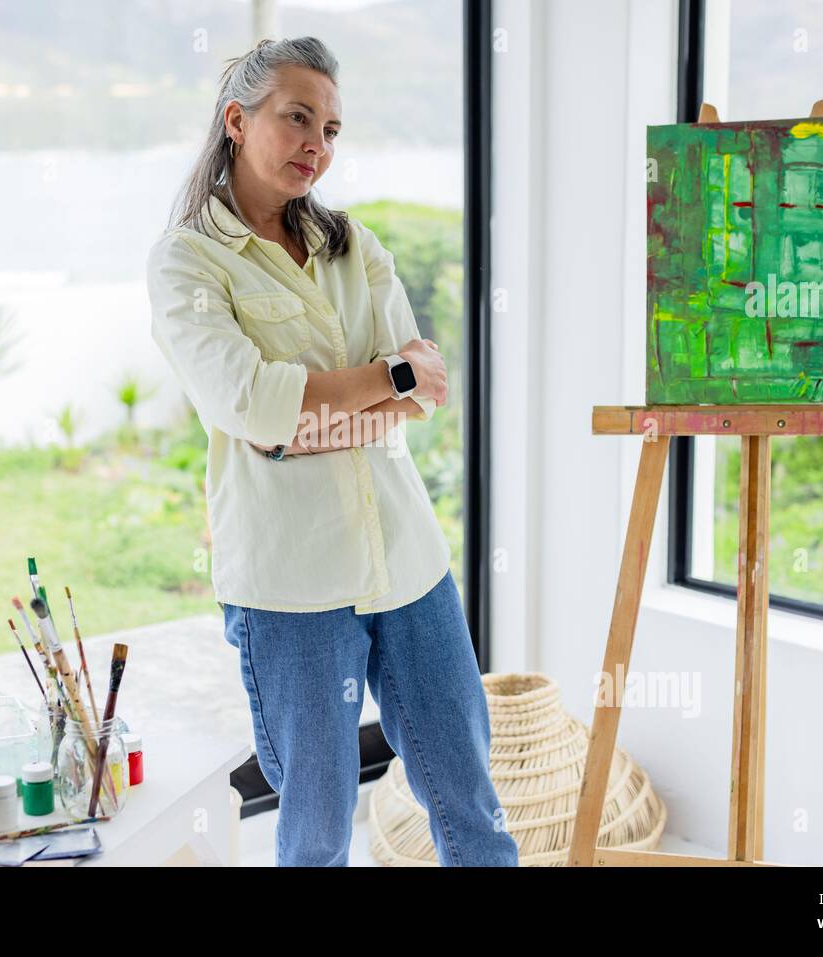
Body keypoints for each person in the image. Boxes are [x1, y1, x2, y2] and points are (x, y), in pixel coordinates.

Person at [145, 36, 519, 867]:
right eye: (298, 117)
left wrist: (315, 408)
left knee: (471, 803)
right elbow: (250, 404)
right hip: (291, 584)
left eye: (333, 127)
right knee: (314, 827)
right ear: (237, 121)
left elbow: (421, 392)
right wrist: (375, 377)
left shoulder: (355, 245)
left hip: (408, 561)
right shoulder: (186, 262)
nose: (318, 142)